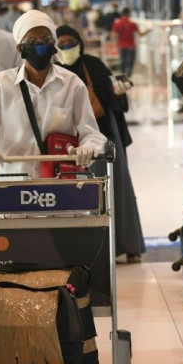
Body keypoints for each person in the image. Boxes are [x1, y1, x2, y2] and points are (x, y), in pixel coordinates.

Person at [0, 10, 107, 178]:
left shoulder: (72, 84)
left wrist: (88, 148)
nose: (40, 45)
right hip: (14, 180)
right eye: (32, 41)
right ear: (20, 48)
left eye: (45, 39)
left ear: (54, 44)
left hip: (59, 182)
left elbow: (91, 132)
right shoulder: (1, 85)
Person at [55, 25, 146, 264]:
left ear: (80, 43)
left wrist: (114, 90)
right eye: (61, 44)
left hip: (105, 136)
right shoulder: (57, 72)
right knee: (84, 196)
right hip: (71, 143)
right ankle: (95, 249)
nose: (67, 48)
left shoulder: (93, 65)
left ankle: (128, 245)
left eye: (70, 42)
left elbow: (115, 101)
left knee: (118, 190)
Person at [111, 8, 150, 77]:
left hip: (121, 45)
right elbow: (141, 34)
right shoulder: (132, 24)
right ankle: (128, 76)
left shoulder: (117, 24)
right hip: (131, 46)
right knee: (130, 63)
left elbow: (113, 35)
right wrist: (149, 30)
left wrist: (115, 43)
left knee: (122, 61)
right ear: (128, 14)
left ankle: (122, 76)